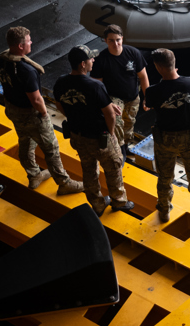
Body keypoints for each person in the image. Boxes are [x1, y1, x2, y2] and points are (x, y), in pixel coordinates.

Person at [0, 26, 82, 194]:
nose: (31, 42)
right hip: (30, 114)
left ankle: (34, 174)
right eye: (28, 41)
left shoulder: (1, 59)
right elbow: (35, 99)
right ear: (20, 46)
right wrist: (44, 113)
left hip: (13, 109)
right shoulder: (27, 70)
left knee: (25, 142)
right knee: (51, 149)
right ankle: (64, 183)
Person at [54, 45, 134, 216]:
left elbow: (59, 104)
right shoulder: (95, 86)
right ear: (83, 64)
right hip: (99, 138)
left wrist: (74, 115)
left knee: (89, 169)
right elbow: (110, 115)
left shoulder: (61, 82)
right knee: (113, 167)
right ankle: (119, 201)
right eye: (90, 58)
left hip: (78, 136)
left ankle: (97, 204)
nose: (93, 60)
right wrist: (111, 133)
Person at [145, 48, 190, 225]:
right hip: (189, 138)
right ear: (174, 62)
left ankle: (164, 210)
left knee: (164, 176)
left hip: (164, 139)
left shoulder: (153, 91)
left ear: (158, 67)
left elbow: (151, 106)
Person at [92, 25, 149, 149]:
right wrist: (107, 103)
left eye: (118, 40)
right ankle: (119, 148)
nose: (115, 44)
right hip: (113, 97)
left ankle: (126, 145)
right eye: (111, 40)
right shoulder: (101, 60)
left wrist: (147, 97)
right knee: (116, 122)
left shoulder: (133, 53)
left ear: (122, 38)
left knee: (129, 122)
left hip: (132, 95)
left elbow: (143, 76)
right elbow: (98, 86)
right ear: (105, 41)